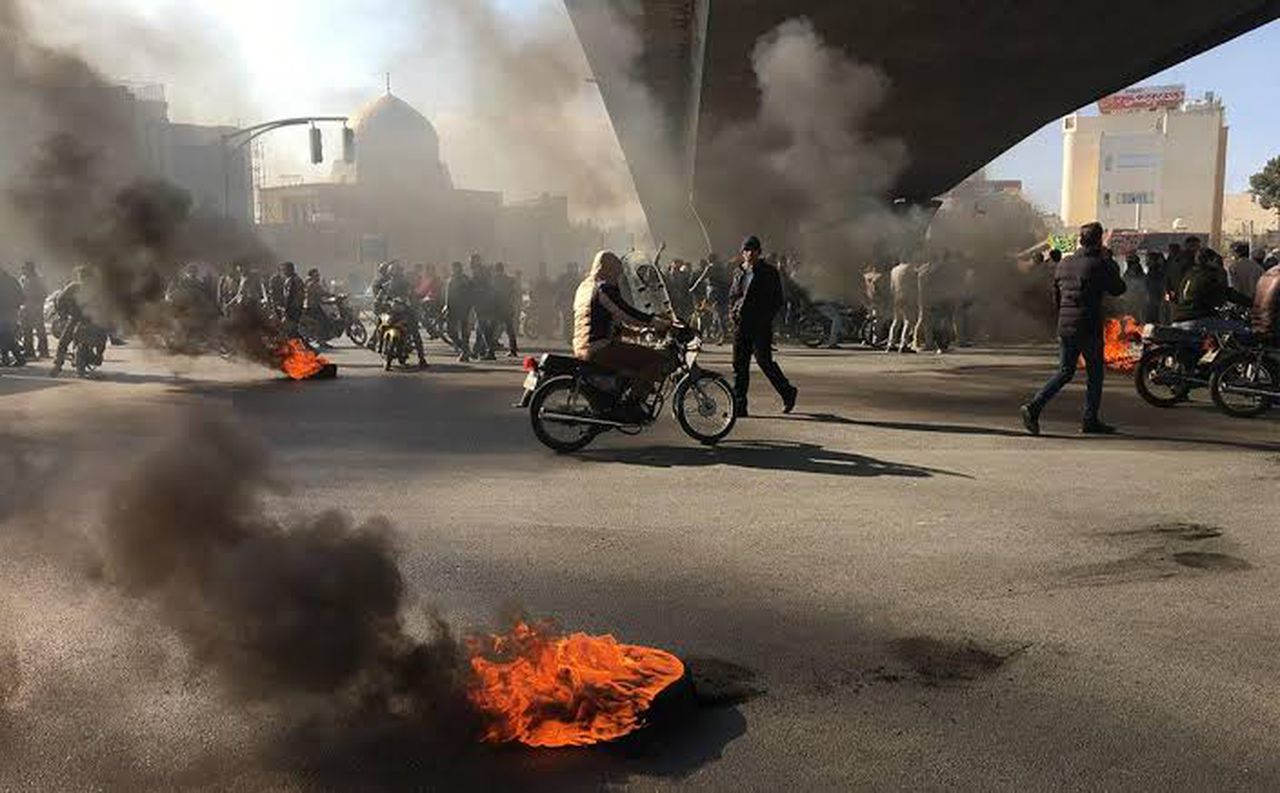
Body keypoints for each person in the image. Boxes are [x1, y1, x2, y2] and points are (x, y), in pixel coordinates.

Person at [1020, 222, 1127, 436]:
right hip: (1088, 325)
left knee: (1064, 372)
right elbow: (1118, 288)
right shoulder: (1098, 264)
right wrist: (1109, 261)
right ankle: (1090, 419)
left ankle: (1034, 407)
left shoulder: (1064, 264)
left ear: (1080, 240)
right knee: (1095, 374)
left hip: (1066, 325)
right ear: (1098, 241)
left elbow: (1056, 297)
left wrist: (1063, 318)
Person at [573, 250, 672, 420]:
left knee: (634, 359)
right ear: (606, 268)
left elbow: (607, 321)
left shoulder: (585, 286)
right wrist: (657, 322)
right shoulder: (603, 288)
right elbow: (626, 313)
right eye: (616, 273)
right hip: (599, 347)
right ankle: (633, 406)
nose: (617, 278)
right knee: (654, 360)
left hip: (584, 345)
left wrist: (638, 333)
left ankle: (620, 399)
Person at [729, 235, 797, 417]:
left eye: (753, 250)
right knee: (739, 365)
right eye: (746, 250)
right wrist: (732, 312)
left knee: (764, 362)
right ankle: (739, 406)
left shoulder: (769, 273)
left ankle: (788, 392)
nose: (749, 254)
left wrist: (765, 319)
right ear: (742, 253)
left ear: (759, 252)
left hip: (760, 326)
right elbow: (733, 295)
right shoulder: (738, 272)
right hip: (740, 325)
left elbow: (777, 300)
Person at [1172, 248, 1250, 333]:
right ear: (1210, 260)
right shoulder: (1209, 274)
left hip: (1177, 320)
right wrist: (1250, 303)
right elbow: (1225, 294)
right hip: (1198, 320)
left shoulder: (1190, 273)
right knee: (1242, 328)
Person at [468, 256, 497, 360]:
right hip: (484, 303)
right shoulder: (482, 272)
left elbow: (479, 288)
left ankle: (490, 351)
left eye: (471, 261)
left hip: (481, 304)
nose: (470, 263)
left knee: (483, 328)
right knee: (479, 329)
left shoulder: (478, 272)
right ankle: (477, 350)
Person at [18, 261, 48, 359]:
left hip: (35, 308)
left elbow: (44, 294)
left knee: (40, 330)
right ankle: (29, 351)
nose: (23, 271)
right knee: (27, 331)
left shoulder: (38, 280)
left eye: (24, 269)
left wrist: (38, 304)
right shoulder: (23, 279)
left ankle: (43, 351)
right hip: (25, 308)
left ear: (30, 269)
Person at [886, 260, 918, 353]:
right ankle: (903, 344)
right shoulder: (910, 269)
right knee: (908, 320)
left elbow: (892, 286)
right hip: (907, 296)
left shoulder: (894, 269)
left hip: (896, 296)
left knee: (896, 320)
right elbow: (914, 284)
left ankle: (890, 343)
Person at [444, 261, 472, 362]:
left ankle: (465, 352)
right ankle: (464, 349)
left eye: (455, 267)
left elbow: (470, 294)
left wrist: (469, 306)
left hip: (463, 308)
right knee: (450, 331)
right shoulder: (450, 279)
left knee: (464, 332)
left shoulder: (465, 280)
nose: (454, 270)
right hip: (452, 308)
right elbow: (448, 295)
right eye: (453, 268)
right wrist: (446, 306)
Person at [492, 262, 520, 357]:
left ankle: (491, 347)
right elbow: (514, 292)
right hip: (508, 307)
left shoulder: (494, 280)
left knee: (493, 328)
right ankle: (513, 349)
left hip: (497, 308)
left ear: (496, 269)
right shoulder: (509, 280)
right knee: (510, 330)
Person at [0, 265, 24, 367]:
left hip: (4, 312)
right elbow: (22, 296)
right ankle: (12, 358)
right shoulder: (13, 280)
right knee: (7, 336)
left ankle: (11, 359)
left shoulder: (5, 281)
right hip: (12, 312)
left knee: (5, 336)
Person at [303, 267, 331, 348]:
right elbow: (321, 293)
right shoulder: (312, 284)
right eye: (316, 275)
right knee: (324, 322)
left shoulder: (310, 283)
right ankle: (321, 341)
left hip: (313, 306)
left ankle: (321, 340)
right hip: (312, 307)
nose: (318, 276)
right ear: (312, 275)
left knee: (323, 321)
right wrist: (331, 295)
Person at [277, 261, 305, 338]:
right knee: (292, 331)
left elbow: (289, 297)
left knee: (291, 331)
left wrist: (286, 309)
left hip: (293, 309)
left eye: (283, 270)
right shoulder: (294, 279)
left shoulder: (292, 281)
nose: (282, 272)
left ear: (289, 270)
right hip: (295, 308)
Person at [1142, 251, 1167, 325]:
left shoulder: (1156, 274)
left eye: (1149, 259)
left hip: (1154, 301)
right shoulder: (1154, 272)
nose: (1147, 262)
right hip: (1153, 300)